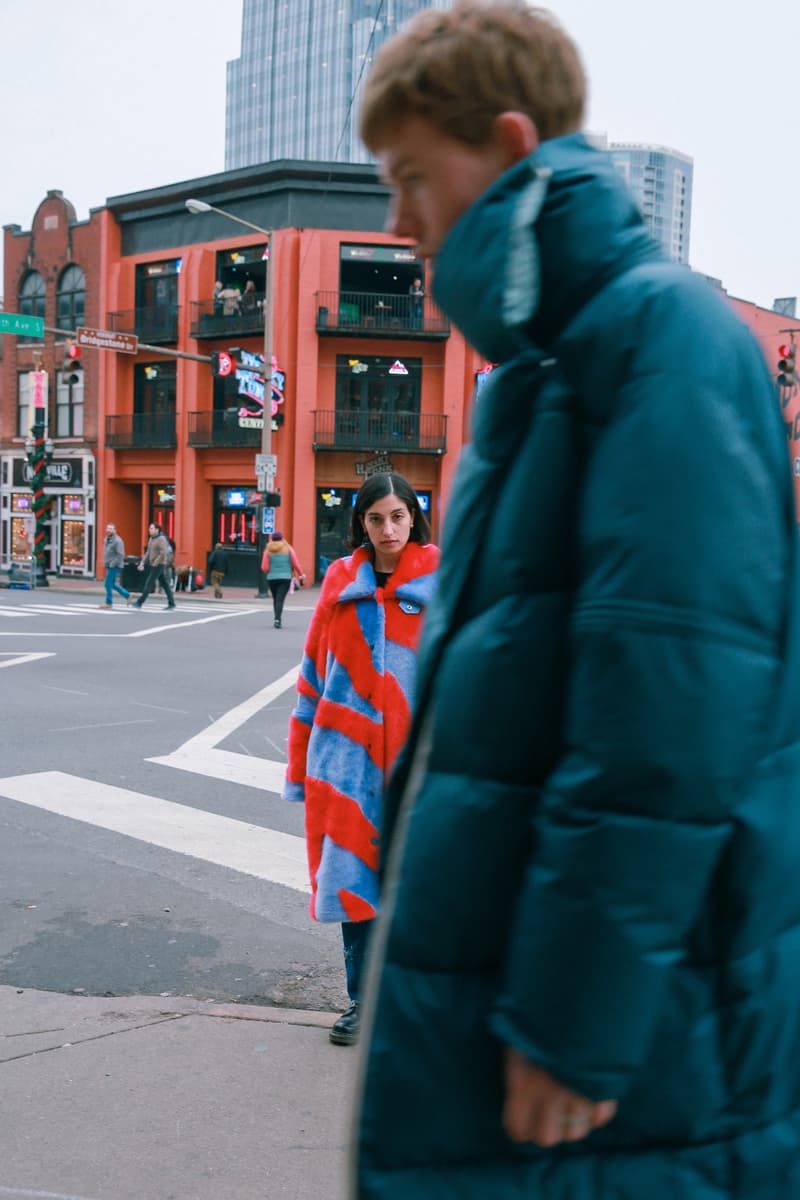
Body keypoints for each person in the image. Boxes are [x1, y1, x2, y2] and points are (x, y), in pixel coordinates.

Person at [349, 4, 800, 1198]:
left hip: (621, 1042)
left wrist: (573, 1018)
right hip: (530, 992)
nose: (395, 223)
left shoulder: (660, 339)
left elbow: (665, 715)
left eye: (409, 179)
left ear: (506, 147)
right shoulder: (538, 374)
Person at [284, 474, 439, 1047]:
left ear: (414, 518)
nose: (388, 528)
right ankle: (362, 1002)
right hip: (346, 762)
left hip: (417, 765)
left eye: (398, 516)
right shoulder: (340, 581)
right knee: (353, 885)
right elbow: (313, 676)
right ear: (362, 524)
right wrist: (301, 765)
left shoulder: (441, 583)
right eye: (376, 518)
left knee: (416, 886)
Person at [261, 531, 304, 628]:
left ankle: (276, 618)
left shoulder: (267, 550)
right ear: (282, 538)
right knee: (280, 599)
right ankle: (277, 619)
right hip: (285, 578)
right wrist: (301, 574)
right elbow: (295, 563)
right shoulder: (288, 549)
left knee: (275, 598)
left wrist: (271, 570)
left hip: (272, 578)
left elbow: (264, 567)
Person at [130, 523, 176, 610]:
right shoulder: (151, 539)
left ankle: (140, 602)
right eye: (149, 528)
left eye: (151, 528)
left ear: (157, 530)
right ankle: (172, 603)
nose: (149, 530)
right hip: (154, 564)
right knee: (165, 584)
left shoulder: (161, 539)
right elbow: (148, 552)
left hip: (159, 564)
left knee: (149, 583)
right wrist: (142, 562)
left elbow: (163, 553)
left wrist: (156, 563)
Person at [99, 522, 130, 609]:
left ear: (115, 530)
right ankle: (127, 595)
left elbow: (121, 555)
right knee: (111, 584)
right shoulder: (106, 539)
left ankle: (109, 602)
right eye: (107, 528)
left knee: (107, 584)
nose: (108, 530)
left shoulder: (118, 541)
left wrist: (113, 564)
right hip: (109, 565)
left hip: (115, 566)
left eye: (111, 529)